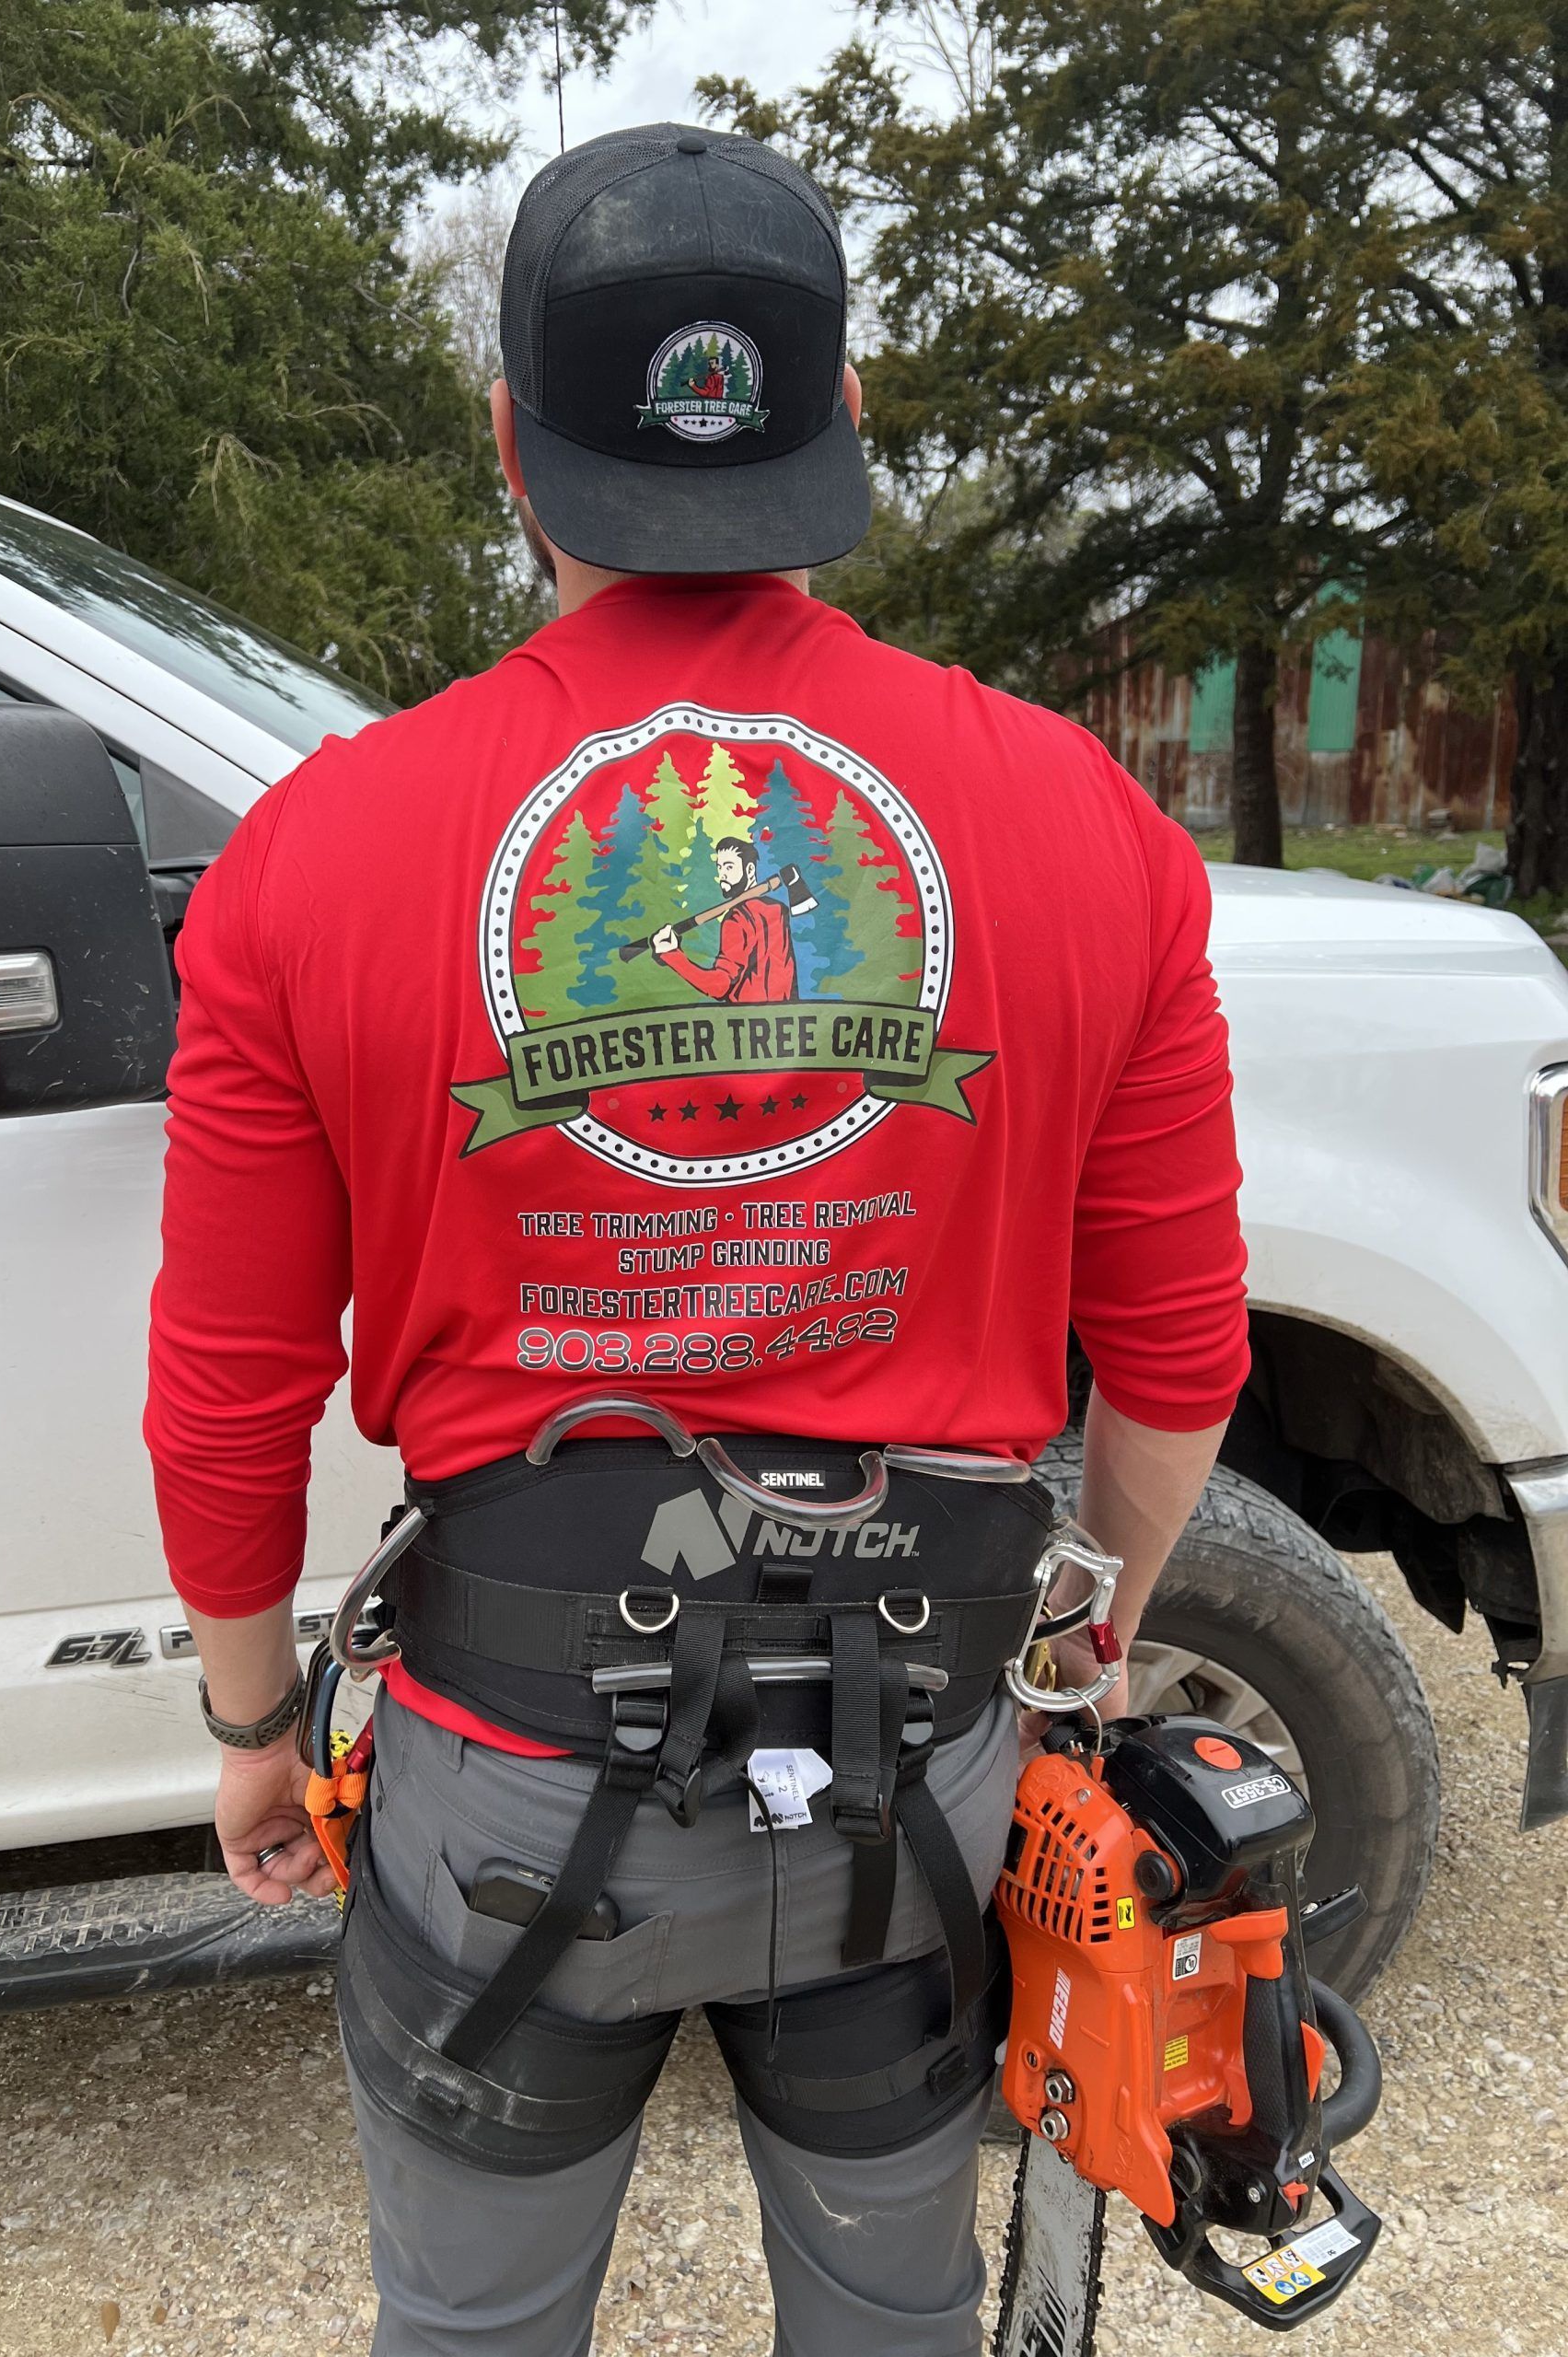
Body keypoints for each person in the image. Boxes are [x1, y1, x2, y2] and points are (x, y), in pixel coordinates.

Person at [145, 122, 1249, 2357]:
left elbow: (231, 1382)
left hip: (507, 1768)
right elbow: (1178, 1347)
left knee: (473, 2325)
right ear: (843, 417)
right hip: (921, 1757)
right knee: (886, 2305)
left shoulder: (313, 856)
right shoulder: (1087, 829)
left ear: (508, 443)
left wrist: (255, 1720)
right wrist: (1083, 1644)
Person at [653, 834, 799, 1002]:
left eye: (729, 867)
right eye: (720, 867)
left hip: (745, 1022)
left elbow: (719, 987)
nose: (722, 874)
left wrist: (672, 955)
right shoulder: (778, 910)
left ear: (750, 870)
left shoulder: (737, 919)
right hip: (784, 1020)